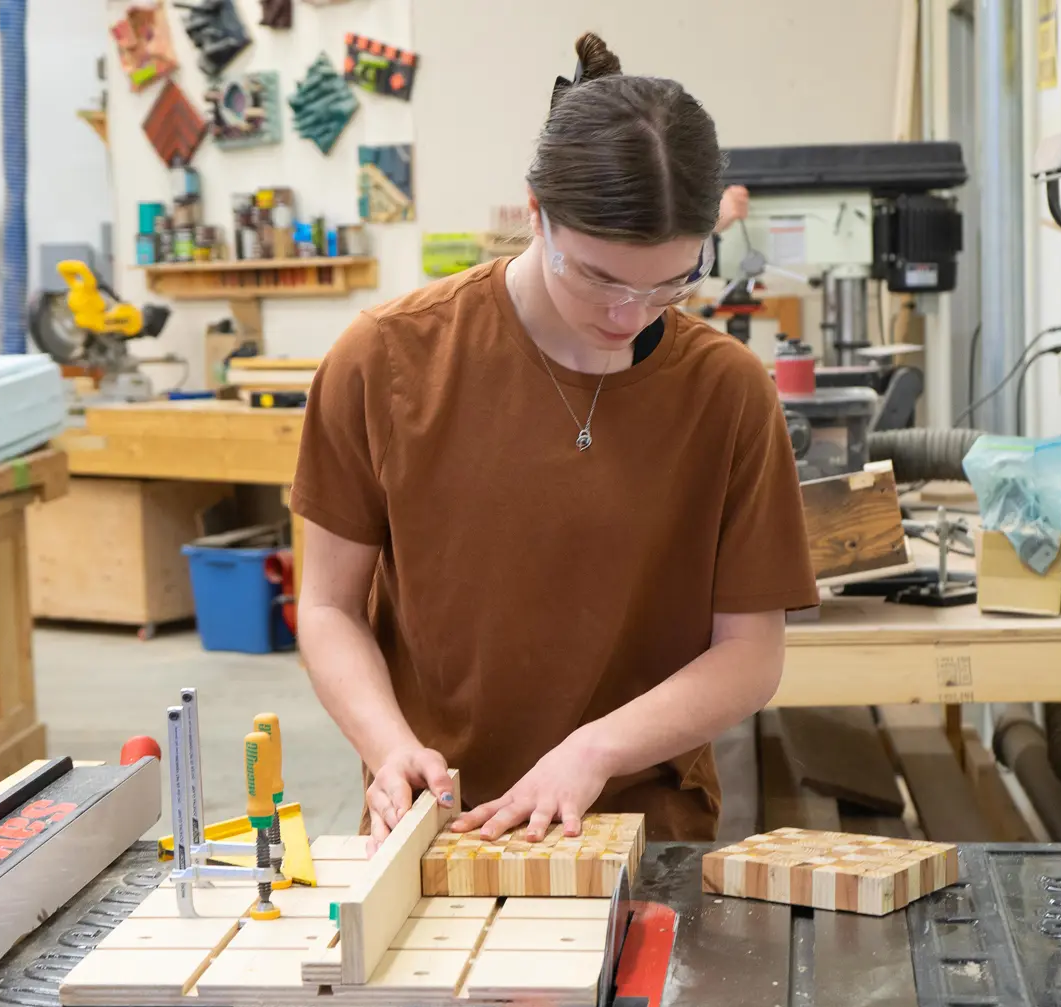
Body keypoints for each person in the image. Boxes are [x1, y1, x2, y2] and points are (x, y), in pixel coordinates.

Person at [293, 33, 817, 847]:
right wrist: (388, 747)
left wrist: (596, 750)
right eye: (600, 278)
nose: (628, 316)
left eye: (669, 283)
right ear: (536, 214)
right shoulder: (386, 359)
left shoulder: (727, 392)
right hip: (440, 827)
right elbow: (328, 606)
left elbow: (750, 654)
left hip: (640, 826)